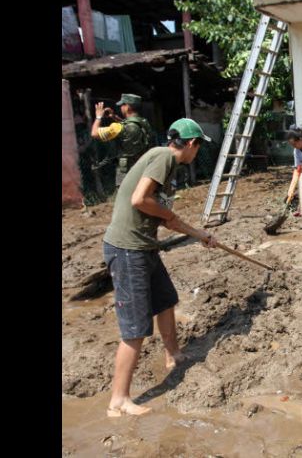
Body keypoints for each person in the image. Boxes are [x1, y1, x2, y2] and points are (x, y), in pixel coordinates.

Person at [102, 118, 217, 417]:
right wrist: (180, 221)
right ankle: (119, 400)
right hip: (128, 249)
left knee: (165, 299)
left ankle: (173, 354)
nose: (197, 152)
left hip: (144, 246)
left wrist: (199, 234)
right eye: (199, 146)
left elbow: (165, 217)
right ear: (191, 144)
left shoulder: (163, 160)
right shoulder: (165, 157)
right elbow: (140, 200)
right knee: (135, 328)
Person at [91, 93, 154, 187]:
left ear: (127, 107)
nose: (120, 108)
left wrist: (98, 117)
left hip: (126, 170)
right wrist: (114, 117)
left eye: (122, 105)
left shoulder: (118, 128)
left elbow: (94, 133)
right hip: (143, 166)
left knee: (124, 197)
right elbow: (129, 126)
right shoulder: (143, 122)